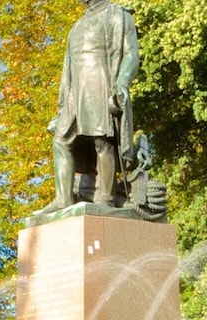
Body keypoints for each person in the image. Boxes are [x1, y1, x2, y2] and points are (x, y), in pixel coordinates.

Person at [45, 0, 140, 211]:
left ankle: (105, 199)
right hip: (75, 90)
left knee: (102, 141)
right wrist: (61, 107)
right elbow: (67, 69)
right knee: (61, 140)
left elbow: (131, 54)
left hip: (101, 80)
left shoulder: (117, 15)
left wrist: (122, 81)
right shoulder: (77, 26)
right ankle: (63, 199)